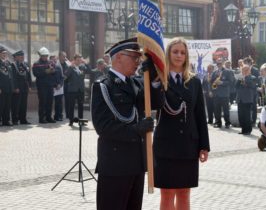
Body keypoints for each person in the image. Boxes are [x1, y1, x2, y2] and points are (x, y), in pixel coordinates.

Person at [91, 38, 164, 210]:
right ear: (117, 58)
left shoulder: (139, 82)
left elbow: (157, 103)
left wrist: (154, 78)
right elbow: (103, 126)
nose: (138, 62)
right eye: (134, 57)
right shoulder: (103, 86)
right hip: (115, 163)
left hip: (137, 161)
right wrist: (135, 130)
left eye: (139, 58)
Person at [153, 37, 210, 210]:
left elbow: (200, 115)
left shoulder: (194, 82)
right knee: (167, 194)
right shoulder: (159, 80)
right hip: (166, 146)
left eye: (183, 52)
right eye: (175, 51)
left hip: (188, 146)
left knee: (185, 193)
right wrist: (153, 81)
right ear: (168, 54)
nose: (179, 55)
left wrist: (204, 145)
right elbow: (153, 104)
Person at [32, 47, 57, 124]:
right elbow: (36, 74)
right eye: (43, 55)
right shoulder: (36, 64)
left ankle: (48, 117)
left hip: (50, 85)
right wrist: (46, 71)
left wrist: (52, 70)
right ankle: (41, 118)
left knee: (49, 102)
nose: (45, 57)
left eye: (46, 55)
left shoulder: (50, 63)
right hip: (41, 86)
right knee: (43, 102)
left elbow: (55, 72)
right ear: (40, 55)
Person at [65, 54, 90, 126]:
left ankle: (81, 120)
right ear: (74, 60)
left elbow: (89, 71)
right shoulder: (70, 66)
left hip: (80, 90)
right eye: (78, 60)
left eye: (80, 60)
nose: (79, 61)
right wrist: (70, 67)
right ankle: (71, 121)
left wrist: (86, 63)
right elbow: (66, 76)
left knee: (81, 106)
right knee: (71, 106)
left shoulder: (82, 67)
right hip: (72, 90)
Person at [11, 50, 32, 125]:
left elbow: (28, 76)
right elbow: (13, 77)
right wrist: (15, 87)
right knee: (16, 105)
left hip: (25, 87)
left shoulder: (25, 64)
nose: (22, 57)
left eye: (23, 56)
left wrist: (30, 85)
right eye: (20, 56)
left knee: (23, 104)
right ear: (16, 57)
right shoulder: (13, 65)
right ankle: (15, 120)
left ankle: (23, 119)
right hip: (18, 88)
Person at [210, 58, 232, 128]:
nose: (218, 64)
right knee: (217, 110)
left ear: (223, 63)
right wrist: (211, 90)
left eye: (220, 63)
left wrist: (222, 82)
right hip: (216, 94)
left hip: (224, 94)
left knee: (226, 110)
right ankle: (218, 123)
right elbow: (211, 82)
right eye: (217, 63)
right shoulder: (214, 72)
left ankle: (227, 123)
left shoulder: (228, 71)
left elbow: (231, 82)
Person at [235, 64, 257, 135]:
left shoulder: (252, 77)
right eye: (243, 70)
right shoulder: (240, 77)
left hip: (247, 99)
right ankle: (243, 129)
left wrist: (245, 80)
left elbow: (253, 86)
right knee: (240, 116)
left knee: (247, 116)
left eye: (246, 70)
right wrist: (239, 79)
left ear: (249, 71)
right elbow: (236, 86)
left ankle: (248, 130)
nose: (244, 71)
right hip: (240, 99)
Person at [243, 57, 259, 127]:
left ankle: (253, 121)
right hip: (245, 92)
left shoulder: (255, 70)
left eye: (245, 63)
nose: (244, 64)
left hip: (253, 91)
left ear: (249, 63)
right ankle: (247, 120)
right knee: (246, 107)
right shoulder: (243, 70)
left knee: (253, 107)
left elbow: (256, 81)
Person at [0, 47, 14, 126]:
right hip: (1, 88)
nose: (4, 55)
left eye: (5, 53)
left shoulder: (8, 63)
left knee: (7, 105)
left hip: (9, 88)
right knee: (1, 105)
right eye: (2, 53)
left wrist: (12, 87)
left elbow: (11, 76)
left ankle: (6, 120)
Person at [50, 55, 64, 122]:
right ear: (50, 60)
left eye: (55, 59)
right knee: (50, 103)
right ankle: (50, 117)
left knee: (59, 103)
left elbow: (62, 77)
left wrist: (60, 84)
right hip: (53, 87)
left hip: (59, 87)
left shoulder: (59, 67)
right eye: (53, 59)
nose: (54, 61)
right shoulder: (49, 67)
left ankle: (59, 116)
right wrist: (55, 85)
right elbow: (50, 78)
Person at [58, 51, 69, 119]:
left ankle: (68, 115)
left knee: (67, 101)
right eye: (63, 56)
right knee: (59, 101)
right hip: (59, 85)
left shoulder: (67, 64)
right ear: (59, 56)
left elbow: (69, 73)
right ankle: (60, 115)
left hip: (66, 85)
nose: (64, 58)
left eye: (65, 56)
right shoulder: (57, 64)